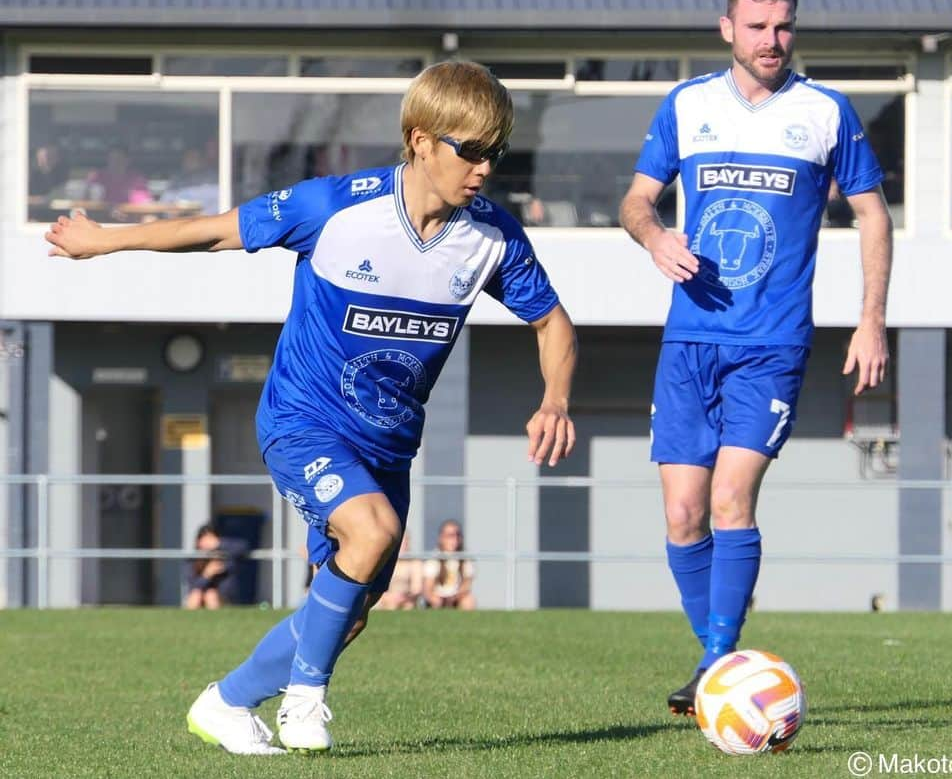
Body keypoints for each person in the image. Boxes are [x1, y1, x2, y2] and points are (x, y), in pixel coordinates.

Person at [46, 60, 578, 755]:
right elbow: (215, 230)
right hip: (304, 420)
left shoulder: (493, 238)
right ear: (419, 140)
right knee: (372, 530)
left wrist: (556, 400)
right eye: (468, 149)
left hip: (389, 447)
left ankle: (226, 702)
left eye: (494, 151)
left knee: (348, 608)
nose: (482, 167)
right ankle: (305, 700)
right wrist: (103, 240)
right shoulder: (335, 208)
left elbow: (554, 322)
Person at [619, 0, 891, 717]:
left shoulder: (825, 113)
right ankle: (723, 655)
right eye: (758, 25)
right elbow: (636, 200)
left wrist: (871, 320)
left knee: (731, 496)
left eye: (784, 26)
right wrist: (655, 237)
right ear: (727, 28)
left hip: (771, 344)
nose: (773, 39)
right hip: (689, 339)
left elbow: (871, 215)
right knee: (682, 512)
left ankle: (716, 667)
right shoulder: (686, 105)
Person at [184, 523, 249, 610]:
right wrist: (207, 575)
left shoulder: (225, 555)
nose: (208, 543)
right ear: (198, 542)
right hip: (198, 599)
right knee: (197, 594)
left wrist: (219, 544)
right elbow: (193, 586)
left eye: (210, 539)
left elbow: (243, 546)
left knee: (211, 595)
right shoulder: (192, 561)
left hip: (223, 599)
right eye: (205, 539)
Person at [422, 519, 476, 610]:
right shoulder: (433, 559)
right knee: (436, 602)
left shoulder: (465, 558)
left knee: (469, 601)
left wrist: (454, 597)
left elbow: (467, 584)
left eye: (457, 535)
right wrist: (438, 599)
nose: (454, 539)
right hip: (438, 598)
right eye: (450, 536)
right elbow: (428, 588)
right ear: (441, 538)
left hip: (456, 598)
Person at [374, 530, 422, 610]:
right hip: (385, 600)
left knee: (409, 606)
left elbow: (417, 588)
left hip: (407, 600)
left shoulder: (414, 562)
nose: (402, 544)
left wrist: (403, 597)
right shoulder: (383, 561)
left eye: (404, 541)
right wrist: (389, 598)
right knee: (391, 606)